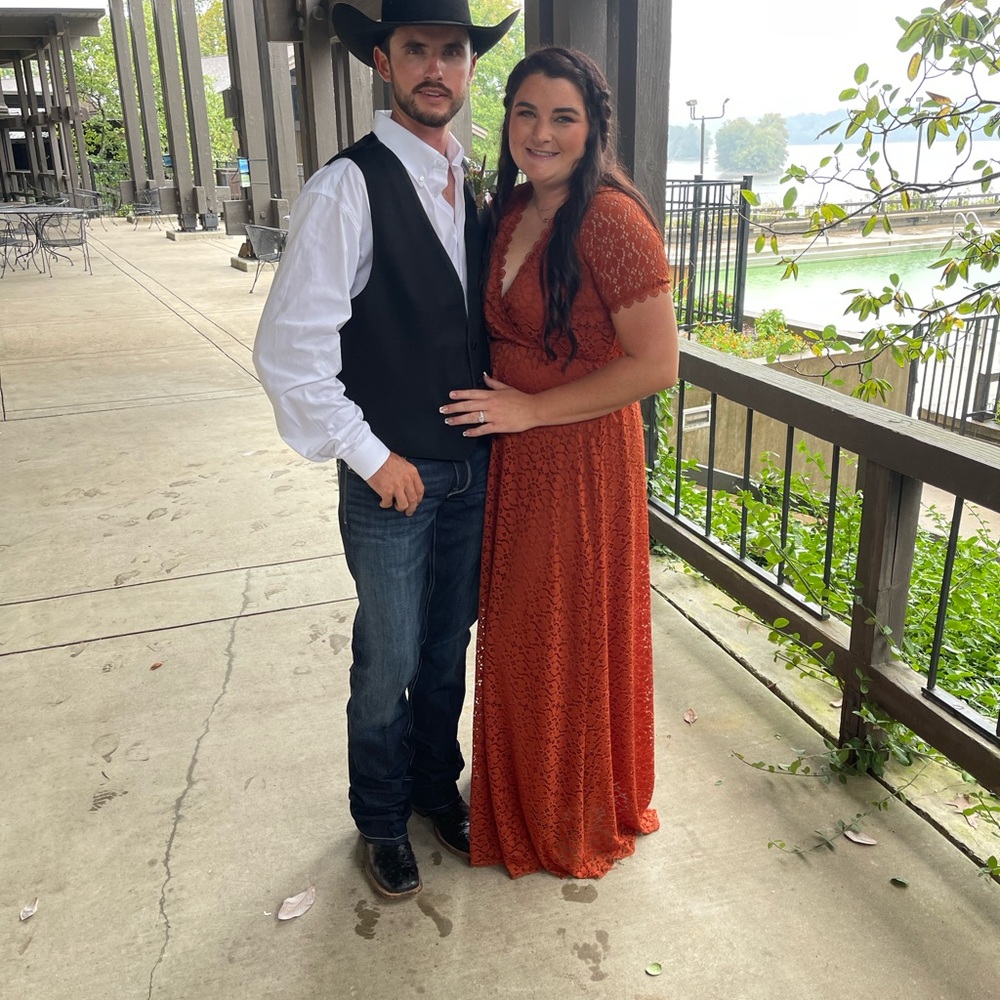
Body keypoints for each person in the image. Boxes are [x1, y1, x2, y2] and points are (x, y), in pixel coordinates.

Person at [252, 0, 518, 900]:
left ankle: (432, 790)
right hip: (393, 481)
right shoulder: (348, 187)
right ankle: (378, 817)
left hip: (473, 472)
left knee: (448, 647)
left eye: (453, 52)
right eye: (418, 51)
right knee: (391, 659)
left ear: (470, 67)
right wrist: (372, 456)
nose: (436, 68)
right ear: (382, 61)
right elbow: (290, 353)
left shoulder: (472, 180)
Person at [440, 47, 680, 879]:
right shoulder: (508, 210)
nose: (541, 133)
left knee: (560, 637)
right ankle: (521, 799)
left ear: (592, 130)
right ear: (506, 121)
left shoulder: (611, 221)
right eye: (526, 113)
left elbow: (656, 366)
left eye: (563, 117)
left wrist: (531, 408)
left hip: (577, 456)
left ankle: (567, 810)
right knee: (514, 634)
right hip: (514, 459)